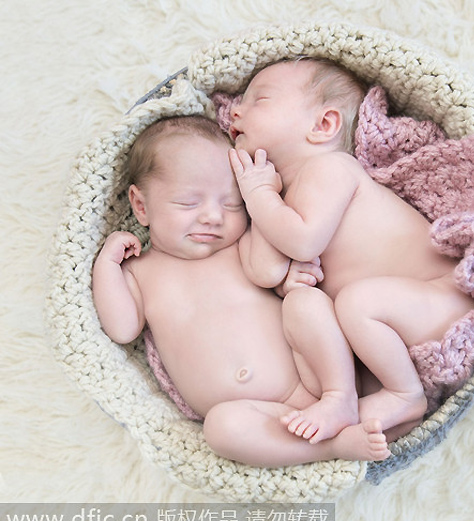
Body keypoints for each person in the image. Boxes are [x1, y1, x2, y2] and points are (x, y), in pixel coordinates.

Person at [91, 115, 390, 467]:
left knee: (306, 302)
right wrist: (107, 264)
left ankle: (342, 398)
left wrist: (261, 196)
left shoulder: (238, 247)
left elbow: (271, 267)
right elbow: (122, 328)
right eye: (189, 203)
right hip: (254, 416)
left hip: (309, 381)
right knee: (220, 429)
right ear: (141, 206)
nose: (213, 217)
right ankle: (334, 446)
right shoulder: (139, 273)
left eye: (231, 204)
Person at [228, 58, 474, 442]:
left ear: (323, 125)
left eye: (259, 100)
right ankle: (353, 403)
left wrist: (258, 194)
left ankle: (405, 395)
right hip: (383, 339)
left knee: (358, 301)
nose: (236, 110)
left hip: (439, 301)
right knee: (301, 307)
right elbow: (264, 271)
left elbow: (303, 240)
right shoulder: (275, 205)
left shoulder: (331, 169)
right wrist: (284, 278)